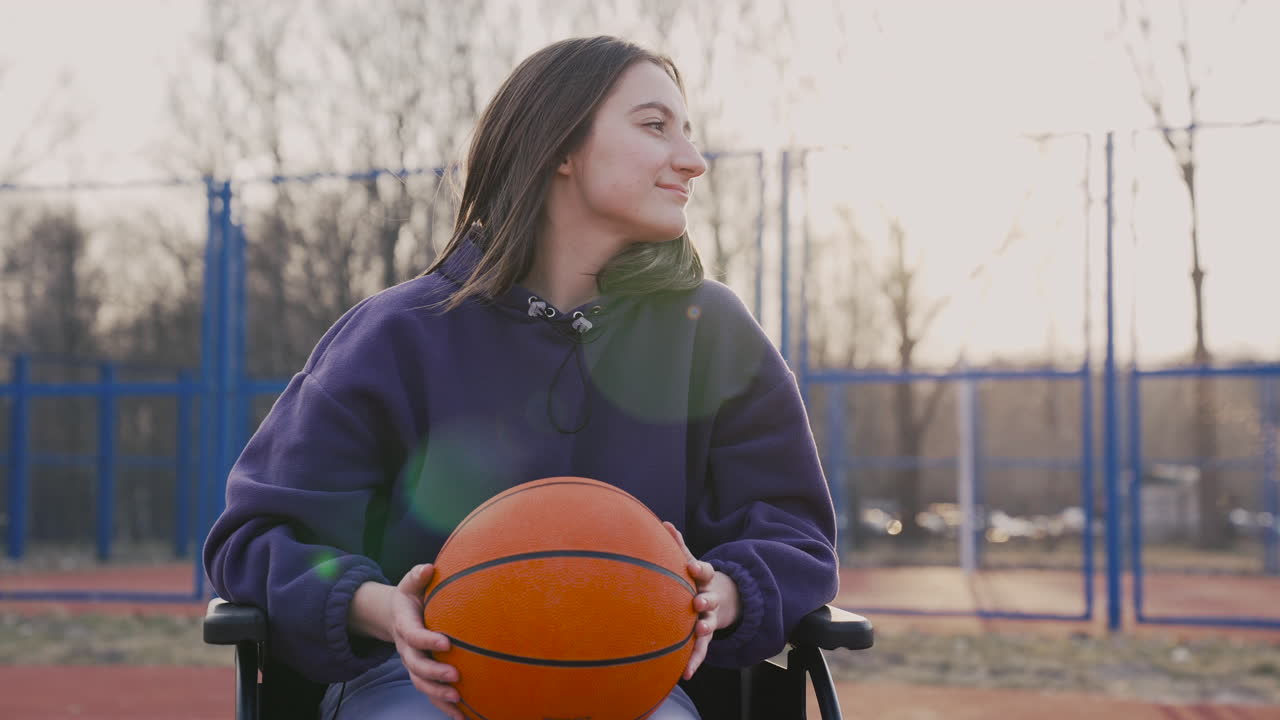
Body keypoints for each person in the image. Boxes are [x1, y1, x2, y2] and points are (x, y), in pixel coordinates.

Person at [203, 35, 838, 720]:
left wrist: (729, 591)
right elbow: (255, 538)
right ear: (559, 147)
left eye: (688, 132)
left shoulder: (710, 331)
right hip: (417, 682)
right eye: (656, 126)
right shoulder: (395, 335)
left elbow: (794, 532)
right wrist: (386, 610)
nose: (693, 160)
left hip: (636, 685)